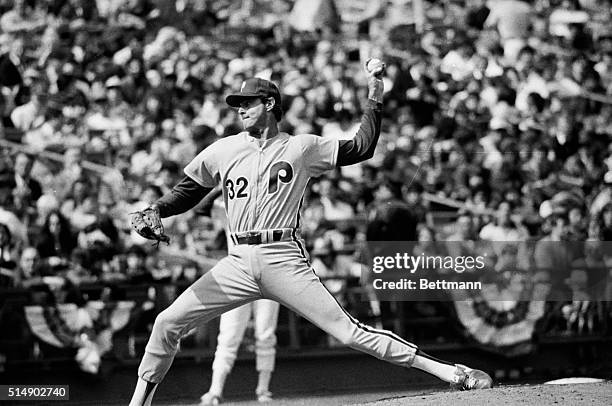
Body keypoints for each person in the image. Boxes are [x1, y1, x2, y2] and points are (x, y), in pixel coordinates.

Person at [129, 61, 492, 406]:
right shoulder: (224, 149)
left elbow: (361, 147)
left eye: (247, 102)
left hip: (282, 256)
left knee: (350, 332)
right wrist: (158, 209)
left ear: (270, 103)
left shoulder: (301, 147)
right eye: (237, 104)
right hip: (237, 261)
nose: (239, 109)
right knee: (167, 322)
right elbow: (188, 190)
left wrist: (375, 93)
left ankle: (452, 372)